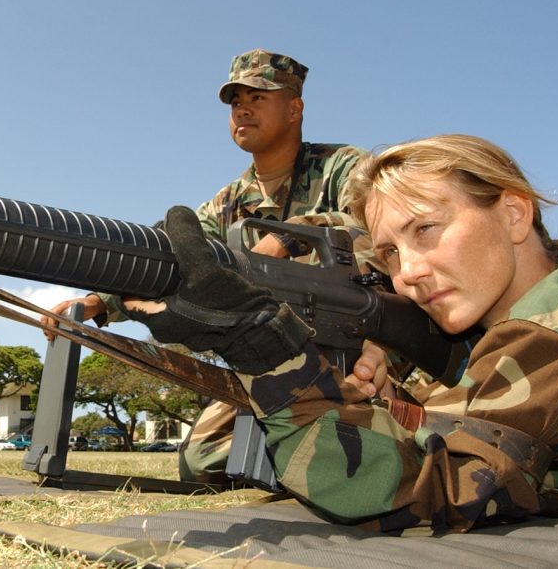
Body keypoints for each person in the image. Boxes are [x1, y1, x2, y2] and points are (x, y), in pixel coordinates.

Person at [124, 134, 558, 532]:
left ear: (514, 214)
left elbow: (416, 489)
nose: (408, 272)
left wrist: (262, 346)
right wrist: (391, 401)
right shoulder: (543, 307)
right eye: (390, 251)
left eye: (428, 229)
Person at [39, 49, 373, 483]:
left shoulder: (343, 167)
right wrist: (95, 304)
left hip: (359, 349)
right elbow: (172, 256)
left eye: (259, 96)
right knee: (201, 462)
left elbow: (378, 224)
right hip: (273, 352)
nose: (243, 109)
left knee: (371, 448)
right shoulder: (227, 203)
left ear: (295, 107)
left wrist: (290, 236)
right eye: (235, 102)